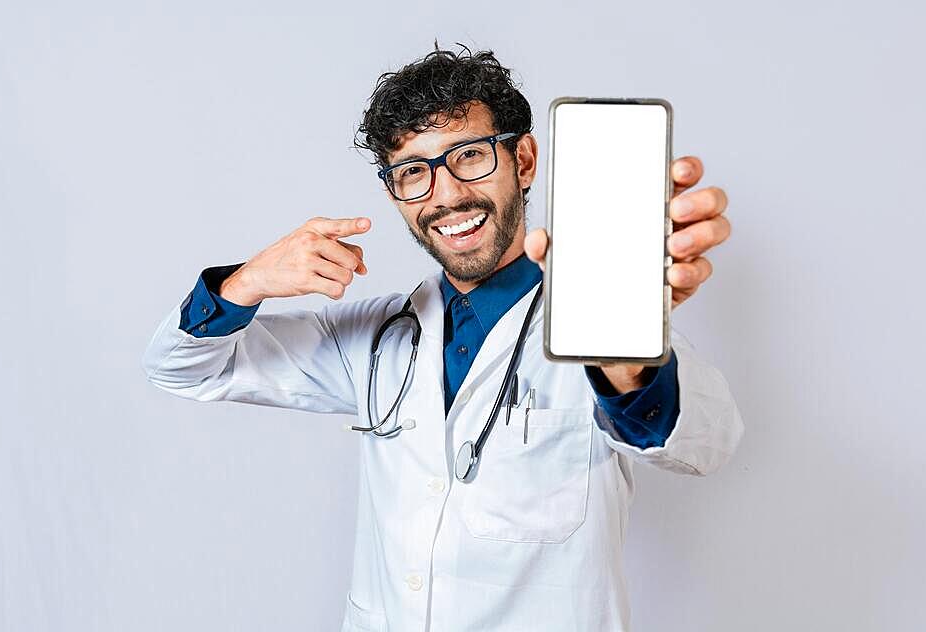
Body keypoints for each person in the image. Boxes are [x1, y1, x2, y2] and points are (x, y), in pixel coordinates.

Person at [142, 43, 743, 632]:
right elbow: (184, 368)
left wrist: (626, 362)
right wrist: (245, 283)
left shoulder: (597, 331)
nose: (447, 193)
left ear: (525, 161)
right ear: (393, 193)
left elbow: (705, 445)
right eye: (414, 172)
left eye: (471, 156)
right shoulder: (370, 339)